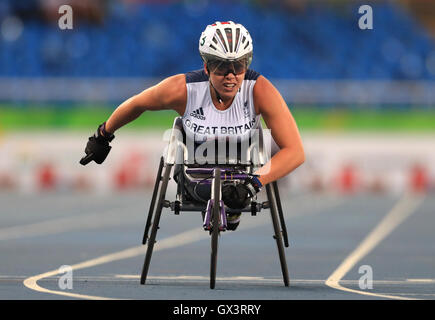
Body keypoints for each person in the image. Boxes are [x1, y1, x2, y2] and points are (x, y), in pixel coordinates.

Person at [80, 21, 305, 230]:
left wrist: (254, 183)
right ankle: (225, 203)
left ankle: (231, 204)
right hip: (195, 176)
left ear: (247, 64)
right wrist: (103, 134)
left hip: (243, 178)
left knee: (231, 192)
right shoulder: (183, 89)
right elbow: (137, 103)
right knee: (215, 191)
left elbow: (295, 151)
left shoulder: (259, 90)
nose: (230, 76)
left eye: (238, 66)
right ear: (206, 67)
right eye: (220, 66)